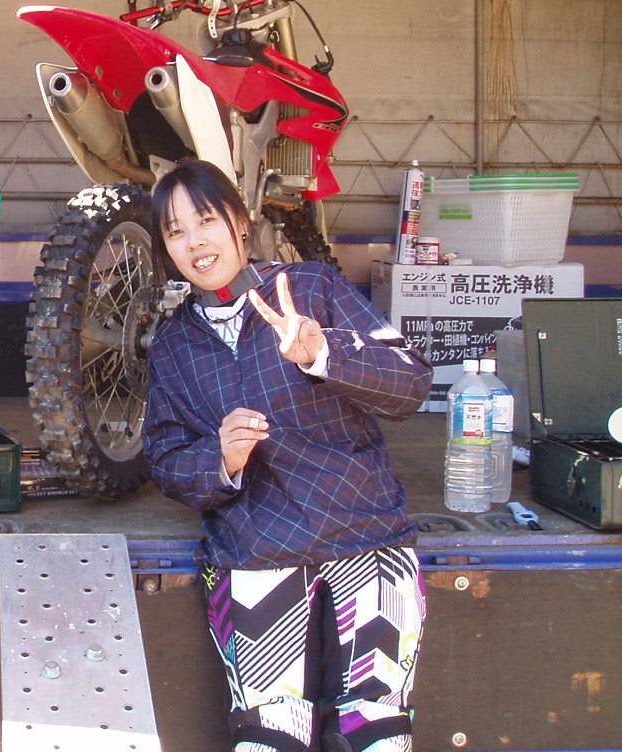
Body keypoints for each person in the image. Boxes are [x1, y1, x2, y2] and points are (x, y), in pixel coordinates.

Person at [142, 159, 432, 752]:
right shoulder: (173, 344)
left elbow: (410, 384)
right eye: (175, 231)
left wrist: (325, 353)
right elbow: (166, 460)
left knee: (376, 730)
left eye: (206, 220)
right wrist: (219, 458)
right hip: (256, 553)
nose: (195, 241)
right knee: (270, 734)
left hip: (367, 538)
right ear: (165, 249)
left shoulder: (312, 290)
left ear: (240, 222)